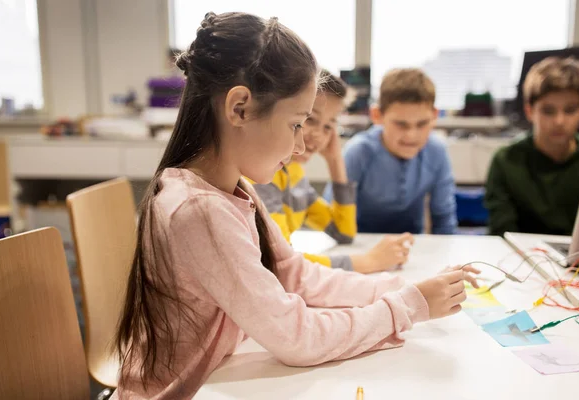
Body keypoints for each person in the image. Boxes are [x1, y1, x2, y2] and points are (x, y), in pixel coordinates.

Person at [113, 12, 479, 399]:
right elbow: (296, 338)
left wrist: (402, 288)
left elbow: (295, 275)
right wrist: (407, 306)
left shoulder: (235, 188)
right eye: (296, 124)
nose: (303, 146)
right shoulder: (198, 210)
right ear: (239, 108)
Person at [253, 69, 412, 273]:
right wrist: (367, 262)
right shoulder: (261, 176)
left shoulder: (294, 173)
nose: (318, 135)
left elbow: (342, 232)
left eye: (328, 126)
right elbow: (281, 263)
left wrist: (335, 160)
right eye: (310, 120)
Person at [324, 68, 457, 235]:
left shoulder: (437, 151)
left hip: (413, 248)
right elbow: (333, 216)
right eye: (401, 124)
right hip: (360, 247)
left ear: (434, 116)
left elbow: (444, 218)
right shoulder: (358, 152)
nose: (411, 135)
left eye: (422, 124)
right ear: (377, 115)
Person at [485, 56, 579, 236]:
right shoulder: (506, 161)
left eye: (570, 110)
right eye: (548, 110)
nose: (559, 121)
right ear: (529, 111)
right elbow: (501, 233)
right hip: (519, 260)